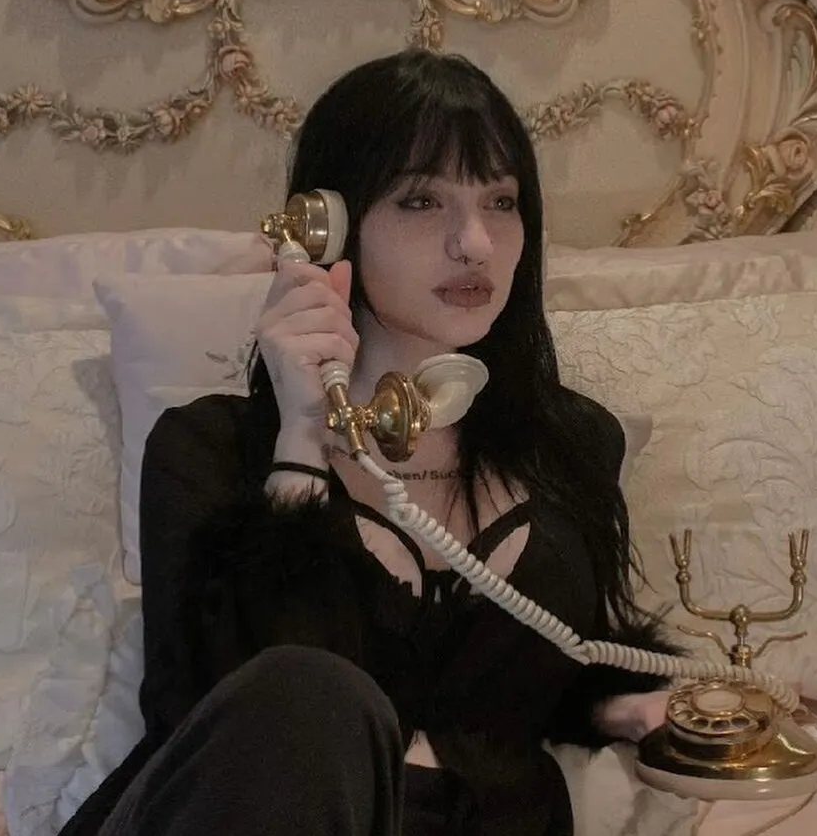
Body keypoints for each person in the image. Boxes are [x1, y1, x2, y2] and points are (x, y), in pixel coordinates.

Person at [58, 49, 682, 836]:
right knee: (308, 692)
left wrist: (625, 706)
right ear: (330, 225)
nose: (475, 243)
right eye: (421, 200)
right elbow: (212, 718)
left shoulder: (572, 443)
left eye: (501, 201)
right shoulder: (205, 448)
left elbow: (547, 667)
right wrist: (300, 440)